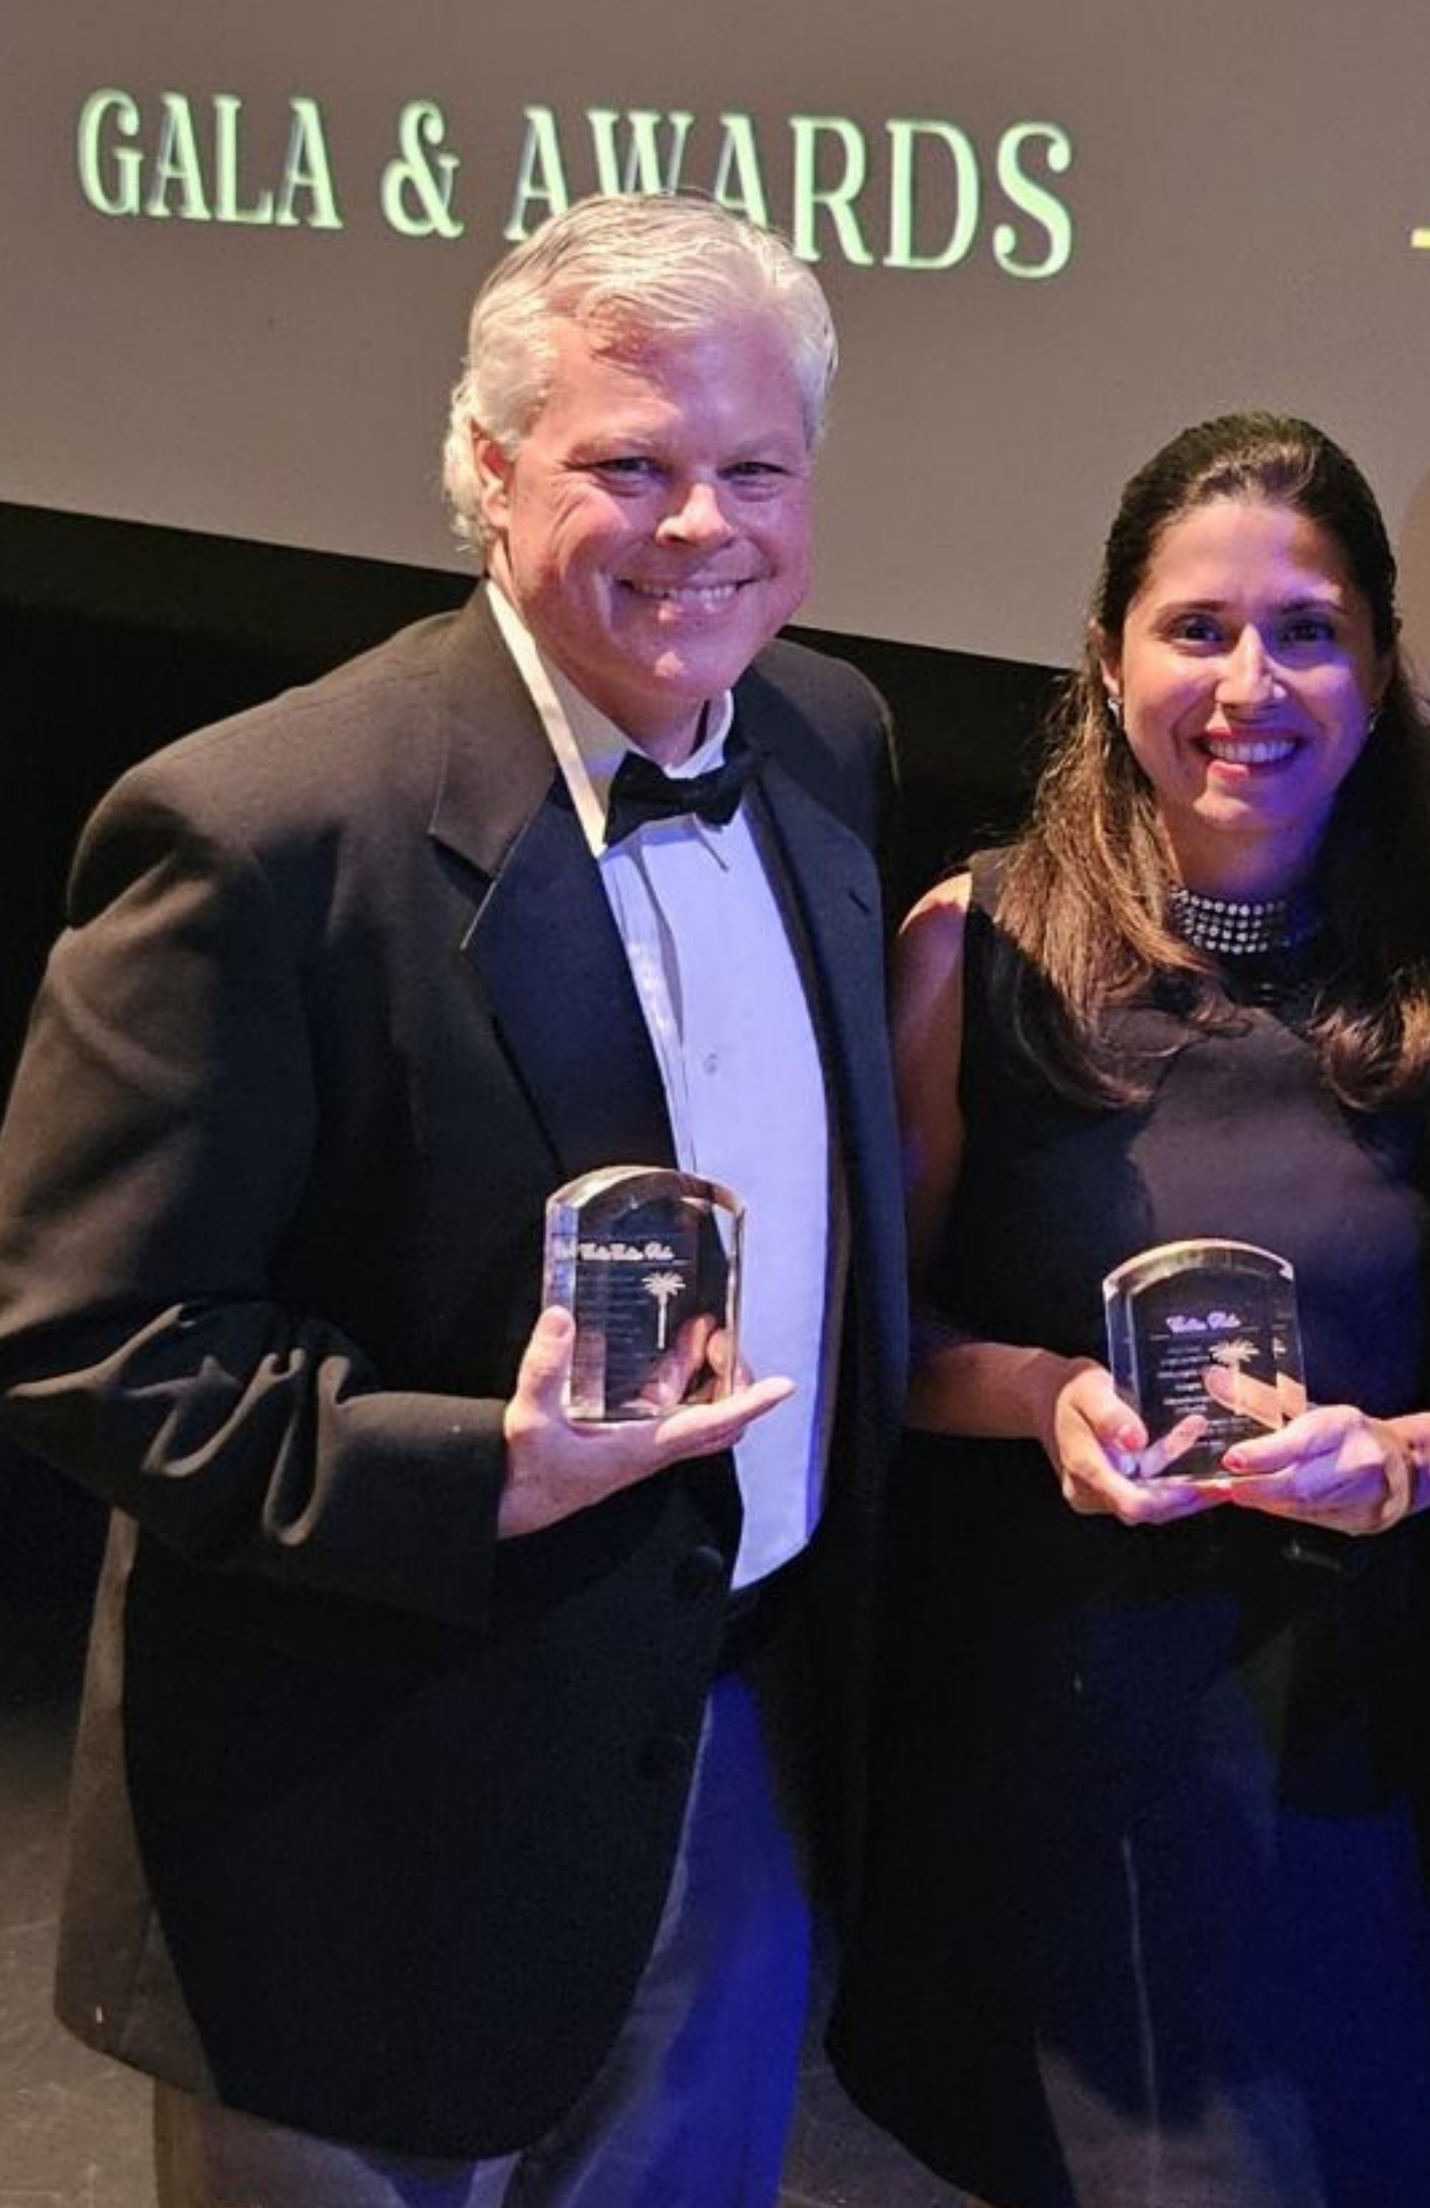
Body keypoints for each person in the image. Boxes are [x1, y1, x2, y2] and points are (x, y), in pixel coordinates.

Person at [0, 194, 908, 2207]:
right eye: (629, 465)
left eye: (757, 468)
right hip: (361, 1815)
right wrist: (480, 1468)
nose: (703, 526)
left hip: (732, 1759)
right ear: (487, 472)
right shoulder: (260, 831)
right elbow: (84, 1335)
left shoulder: (828, 738)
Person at [830, 412, 1430, 2208]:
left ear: (1380, 669)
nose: (1253, 684)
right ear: (1108, 663)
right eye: (1198, 629)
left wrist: (1415, 1457)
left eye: (1308, 631)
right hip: (1045, 1737)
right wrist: (1040, 1398)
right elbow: (869, 1341)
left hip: (1365, 1759)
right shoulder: (972, 946)